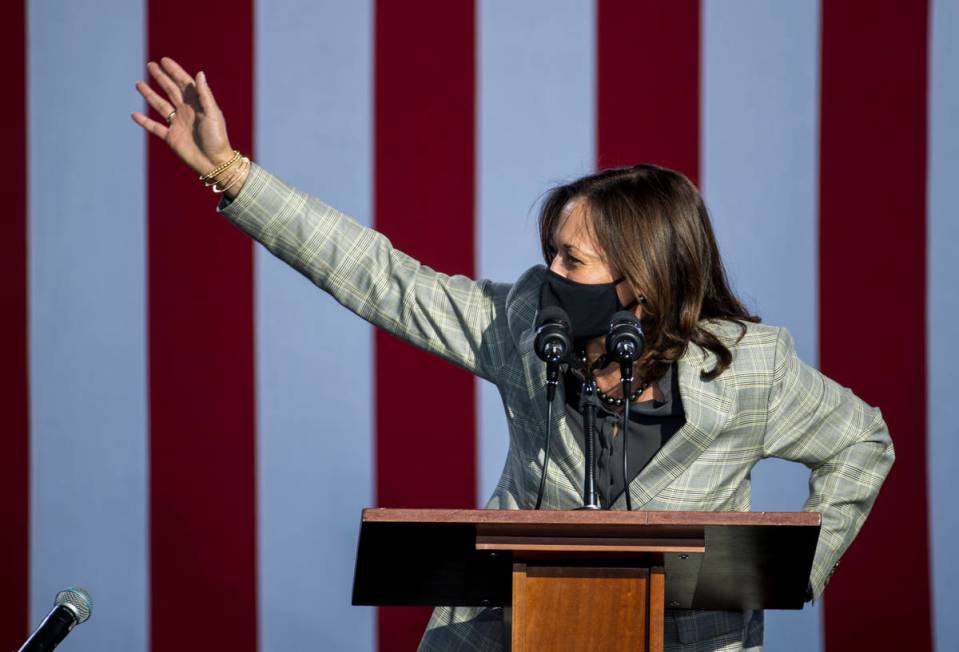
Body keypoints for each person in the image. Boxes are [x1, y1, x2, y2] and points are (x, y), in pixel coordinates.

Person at [132, 57, 894, 652]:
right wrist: (230, 173)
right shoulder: (526, 324)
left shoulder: (749, 368)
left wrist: (788, 569)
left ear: (645, 278)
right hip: (506, 633)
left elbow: (862, 441)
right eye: (551, 255)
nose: (549, 277)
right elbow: (382, 279)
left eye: (574, 262)